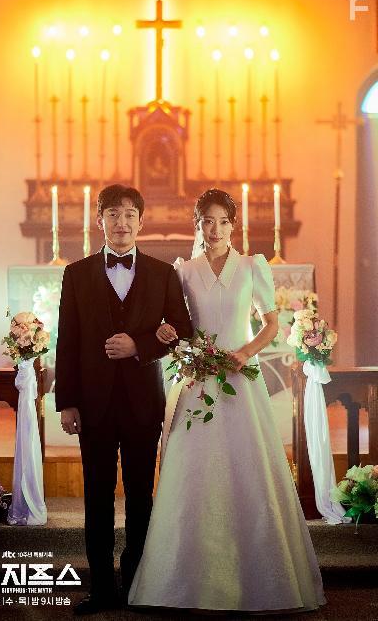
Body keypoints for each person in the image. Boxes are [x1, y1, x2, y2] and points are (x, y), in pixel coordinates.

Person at [128, 188, 326, 614]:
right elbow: (174, 323)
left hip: (240, 379)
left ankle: (259, 578)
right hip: (199, 381)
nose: (214, 230)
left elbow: (271, 324)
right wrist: (168, 335)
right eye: (207, 222)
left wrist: (245, 352)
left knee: (248, 470)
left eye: (222, 222)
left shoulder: (253, 266)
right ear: (197, 225)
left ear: (233, 225)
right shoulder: (184, 270)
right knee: (192, 472)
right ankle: (180, 581)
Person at [55, 184, 192, 615]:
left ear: (141, 222)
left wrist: (140, 346)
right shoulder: (76, 274)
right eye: (113, 214)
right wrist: (67, 402)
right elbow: (67, 341)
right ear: (100, 220)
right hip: (91, 404)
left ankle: (137, 585)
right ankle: (100, 589)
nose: (121, 222)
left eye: (130, 214)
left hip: (142, 404)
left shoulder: (162, 272)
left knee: (140, 497)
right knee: (96, 497)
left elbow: (183, 331)